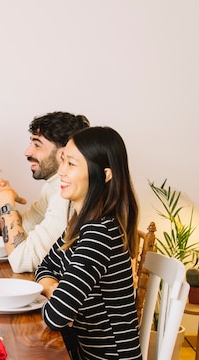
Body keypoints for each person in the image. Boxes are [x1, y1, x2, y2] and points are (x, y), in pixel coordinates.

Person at [35, 126, 141, 360]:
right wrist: (56, 289)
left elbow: (55, 317)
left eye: (71, 164)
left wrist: (54, 295)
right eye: (62, 161)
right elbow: (44, 267)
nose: (61, 171)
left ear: (105, 175)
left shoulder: (99, 233)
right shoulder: (81, 224)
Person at [0, 111, 90, 273]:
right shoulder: (52, 186)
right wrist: (1, 205)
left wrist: (7, 203)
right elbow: (25, 232)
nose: (27, 152)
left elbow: (22, 260)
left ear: (64, 152)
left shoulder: (67, 196)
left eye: (37, 145)